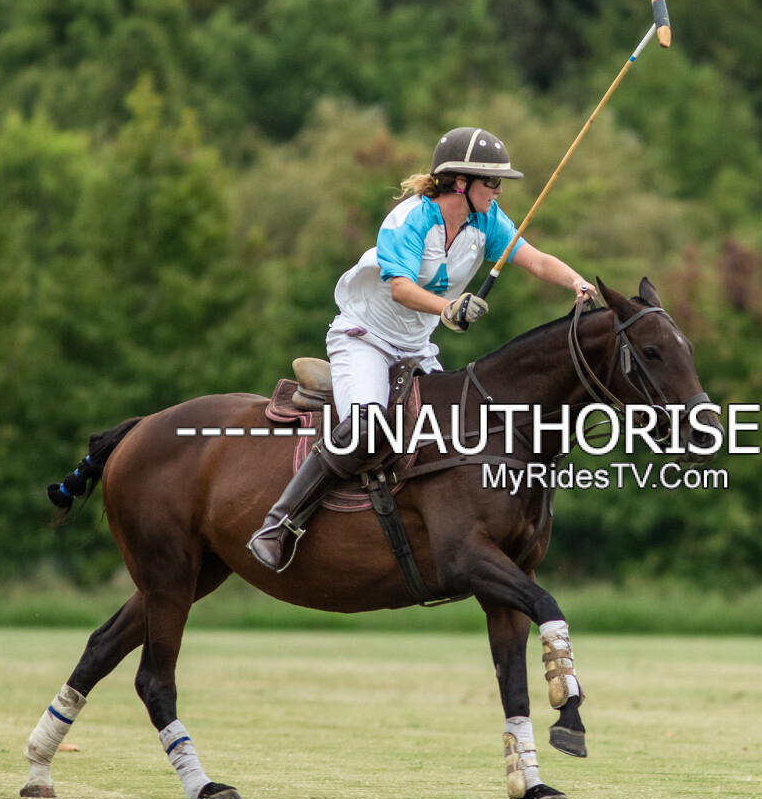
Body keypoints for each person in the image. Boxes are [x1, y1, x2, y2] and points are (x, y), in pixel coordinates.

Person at [248, 127, 593, 571]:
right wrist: (449, 307)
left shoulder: (486, 221)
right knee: (366, 429)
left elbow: (537, 260)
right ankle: (278, 525)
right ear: (461, 182)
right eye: (492, 181)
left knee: (455, 433)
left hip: (415, 349)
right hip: (366, 339)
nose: (499, 190)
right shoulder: (411, 219)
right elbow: (401, 288)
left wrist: (577, 282)